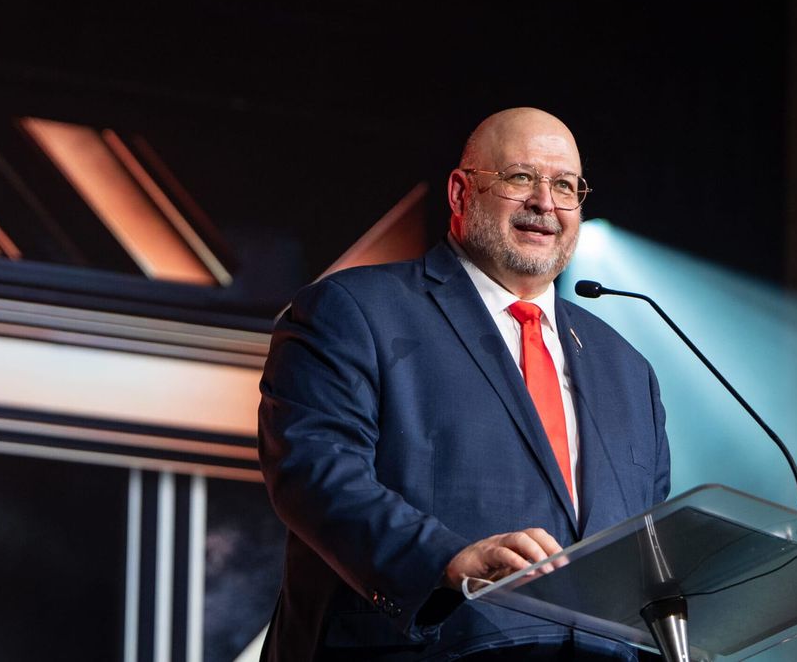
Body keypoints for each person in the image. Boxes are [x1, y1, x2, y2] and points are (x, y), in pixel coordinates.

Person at [258, 107, 671, 661]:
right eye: (521, 177)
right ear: (460, 192)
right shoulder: (356, 311)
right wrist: (444, 561)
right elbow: (314, 474)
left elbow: (646, 548)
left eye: (565, 185)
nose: (545, 203)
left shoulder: (626, 369)